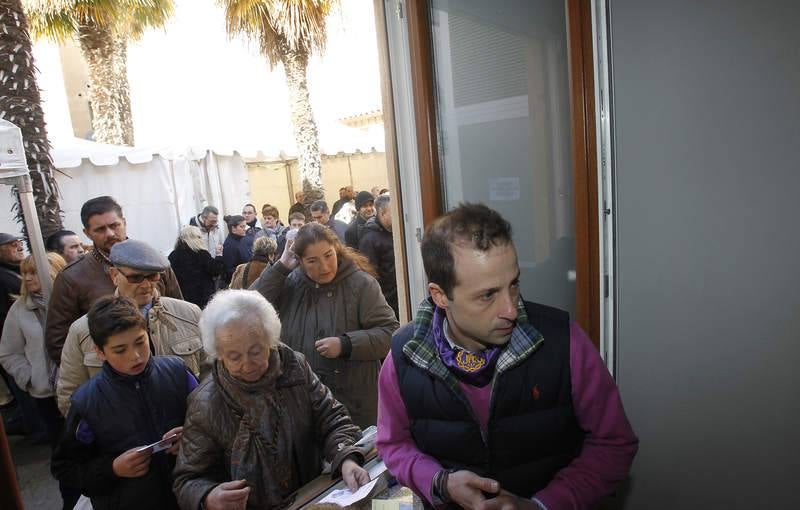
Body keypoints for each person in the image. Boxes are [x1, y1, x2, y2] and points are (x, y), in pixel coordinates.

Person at [376, 204, 639, 510]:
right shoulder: (403, 357)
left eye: (513, 285)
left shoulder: (564, 341)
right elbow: (392, 444)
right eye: (488, 295)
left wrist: (542, 505)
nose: (511, 310)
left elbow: (614, 444)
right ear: (440, 296)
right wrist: (440, 482)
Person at [172, 290, 369, 510]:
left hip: (311, 499)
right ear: (218, 354)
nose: (247, 365)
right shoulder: (206, 404)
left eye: (256, 351)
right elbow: (187, 480)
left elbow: (331, 418)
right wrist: (209, 496)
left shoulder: (293, 367)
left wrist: (346, 458)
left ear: (271, 340)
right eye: (234, 357)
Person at [52, 296, 197, 510]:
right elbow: (66, 469)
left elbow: (210, 424)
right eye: (120, 350)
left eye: (140, 342)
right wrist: (112, 469)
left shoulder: (178, 372)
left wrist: (191, 437)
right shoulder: (87, 403)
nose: (135, 356)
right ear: (100, 352)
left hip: (187, 498)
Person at [252, 223, 399, 427]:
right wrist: (281, 267)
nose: (325, 266)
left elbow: (389, 333)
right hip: (299, 403)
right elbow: (247, 309)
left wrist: (346, 344)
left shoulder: (361, 285)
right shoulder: (288, 282)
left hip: (353, 405)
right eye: (312, 261)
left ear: (336, 249)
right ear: (300, 261)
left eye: (329, 255)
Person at [57, 239, 207, 415]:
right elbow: (70, 397)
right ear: (114, 275)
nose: (146, 285)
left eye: (153, 276)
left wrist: (195, 425)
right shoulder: (83, 330)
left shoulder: (189, 314)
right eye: (135, 277)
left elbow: (212, 375)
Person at [45, 196, 183, 364]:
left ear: (124, 222)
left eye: (114, 225)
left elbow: (178, 312)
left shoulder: (155, 262)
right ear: (87, 233)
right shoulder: (71, 278)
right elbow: (59, 343)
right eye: (100, 229)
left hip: (167, 367)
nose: (110, 234)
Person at [0, 253, 79, 508]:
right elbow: (8, 352)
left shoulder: (73, 304)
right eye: (25, 272)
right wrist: (32, 379)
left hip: (81, 388)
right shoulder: (19, 309)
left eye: (34, 272)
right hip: (48, 396)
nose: (27, 277)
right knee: (64, 455)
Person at [358, 195, 398, 316]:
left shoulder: (397, 232)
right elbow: (369, 274)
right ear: (382, 213)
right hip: (387, 301)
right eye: (394, 212)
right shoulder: (369, 239)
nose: (398, 215)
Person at [168, 226, 225, 308]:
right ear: (195, 238)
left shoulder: (173, 255)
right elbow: (216, 270)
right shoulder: (201, 254)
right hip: (203, 298)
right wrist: (219, 255)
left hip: (182, 298)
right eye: (199, 237)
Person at [222, 215, 252, 286]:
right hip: (237, 284)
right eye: (242, 227)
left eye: (245, 226)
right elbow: (229, 269)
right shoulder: (229, 245)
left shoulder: (241, 239)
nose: (245, 229)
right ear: (233, 228)